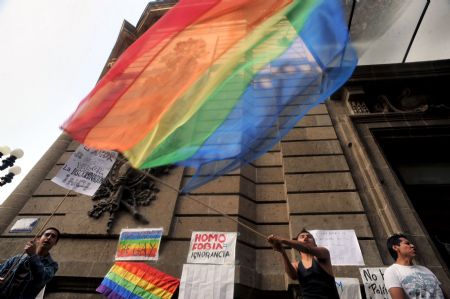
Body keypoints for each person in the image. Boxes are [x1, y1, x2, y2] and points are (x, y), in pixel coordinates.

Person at [267, 228, 339, 299]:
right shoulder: (296, 265)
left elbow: (307, 248)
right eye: (302, 236)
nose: (306, 237)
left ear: (315, 244)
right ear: (297, 244)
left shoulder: (324, 253)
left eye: (309, 237)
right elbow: (292, 276)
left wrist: (282, 240)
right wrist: (282, 252)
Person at [0, 227, 60, 299]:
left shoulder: (52, 265)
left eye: (53, 236)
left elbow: (41, 279)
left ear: (55, 243)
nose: (49, 237)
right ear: (38, 239)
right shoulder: (17, 258)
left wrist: (33, 256)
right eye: (47, 234)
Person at [384, 233, 448, 299]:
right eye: (407, 243)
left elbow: (441, 292)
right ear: (395, 247)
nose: (412, 245)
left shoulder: (425, 269)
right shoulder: (392, 271)